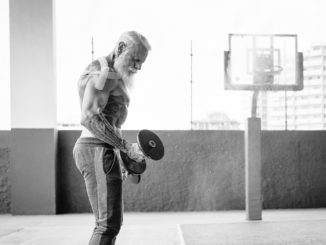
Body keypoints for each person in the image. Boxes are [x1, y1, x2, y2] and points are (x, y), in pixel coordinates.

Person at [73, 31, 151, 245]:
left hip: (102, 149)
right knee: (107, 224)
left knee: (109, 223)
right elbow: (89, 117)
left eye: (142, 62)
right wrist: (125, 147)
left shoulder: (111, 73)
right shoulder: (106, 74)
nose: (138, 67)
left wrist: (123, 156)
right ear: (120, 49)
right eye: (135, 60)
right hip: (95, 148)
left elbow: (110, 120)